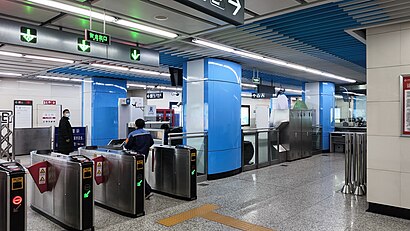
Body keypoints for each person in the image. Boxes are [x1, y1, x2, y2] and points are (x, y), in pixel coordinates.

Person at [125, 119, 154, 199]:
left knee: (137, 173)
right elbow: (151, 143)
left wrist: (126, 144)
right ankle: (144, 190)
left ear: (135, 125)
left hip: (135, 156)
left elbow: (127, 146)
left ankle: (147, 191)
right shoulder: (148, 133)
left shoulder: (132, 134)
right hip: (144, 155)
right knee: (138, 172)